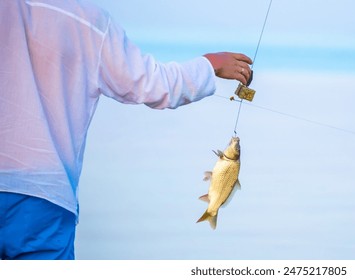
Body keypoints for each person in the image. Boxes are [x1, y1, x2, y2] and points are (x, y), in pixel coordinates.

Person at [0, 0, 252, 260]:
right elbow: (153, 85)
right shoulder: (87, 21)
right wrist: (210, 64)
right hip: (44, 196)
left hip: (43, 198)